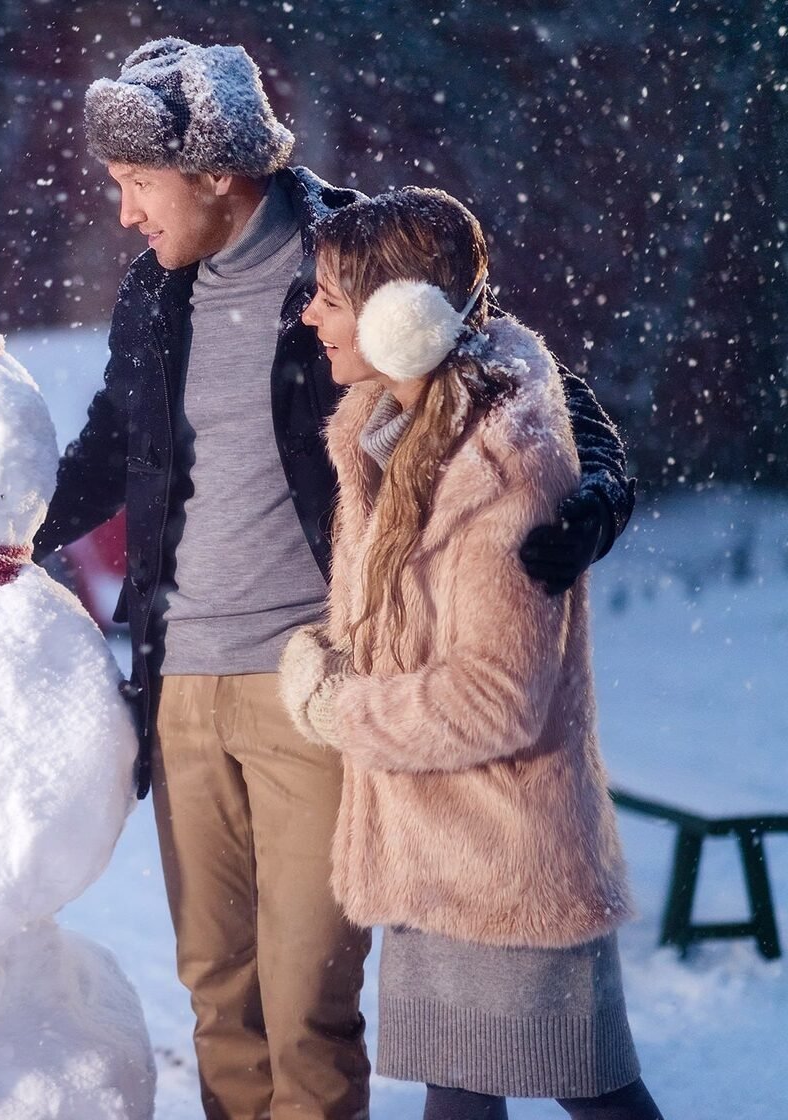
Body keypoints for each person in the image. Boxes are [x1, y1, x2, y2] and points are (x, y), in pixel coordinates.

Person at [34, 36, 637, 1120]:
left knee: (307, 998)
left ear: (216, 172)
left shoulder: (352, 263)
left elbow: (523, 370)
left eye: (138, 185)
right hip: (178, 682)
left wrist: (600, 493)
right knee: (218, 995)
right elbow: (104, 450)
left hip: (315, 680)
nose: (127, 212)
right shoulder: (153, 293)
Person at [277, 186, 661, 1120]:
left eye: (329, 294)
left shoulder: (495, 466)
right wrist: (336, 648)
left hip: (504, 856)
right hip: (437, 850)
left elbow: (492, 700)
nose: (309, 313)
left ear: (401, 316)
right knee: (461, 1096)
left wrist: (334, 707)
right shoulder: (394, 433)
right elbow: (404, 628)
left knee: (597, 1098)